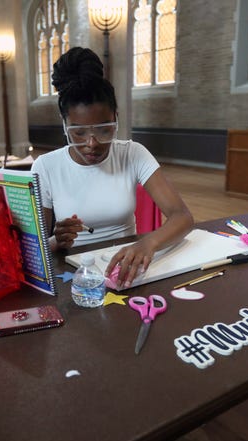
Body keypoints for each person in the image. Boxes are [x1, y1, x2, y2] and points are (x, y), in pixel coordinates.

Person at [31, 47, 194, 289]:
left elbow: (182, 217)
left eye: (104, 129)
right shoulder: (45, 166)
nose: (91, 144)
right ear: (64, 124)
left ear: (116, 118)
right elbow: (35, 249)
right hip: (76, 275)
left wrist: (148, 243)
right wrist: (56, 241)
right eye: (78, 132)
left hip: (124, 270)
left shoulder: (132, 153)